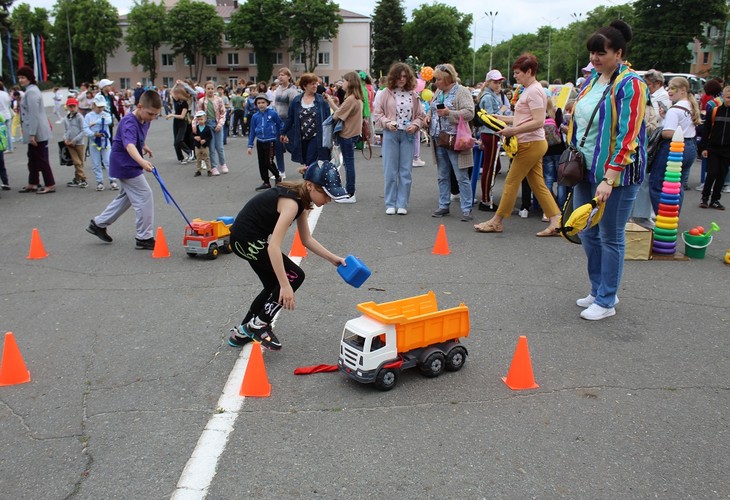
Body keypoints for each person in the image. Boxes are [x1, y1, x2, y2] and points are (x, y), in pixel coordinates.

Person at [568, 20, 649, 321]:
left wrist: (609, 178)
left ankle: (607, 299)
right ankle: (598, 287)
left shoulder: (631, 84)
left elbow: (628, 136)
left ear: (619, 52)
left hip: (617, 175)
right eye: (591, 53)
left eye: (601, 53)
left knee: (610, 235)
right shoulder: (591, 81)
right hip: (585, 170)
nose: (595, 58)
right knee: (586, 231)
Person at [226, 160, 348, 350]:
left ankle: (242, 332)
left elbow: (306, 239)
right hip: (246, 240)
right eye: (326, 194)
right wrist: (285, 286)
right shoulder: (292, 204)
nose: (328, 200)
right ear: (310, 186)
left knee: (271, 285)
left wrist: (333, 259)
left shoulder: (301, 200)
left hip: (245, 238)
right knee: (294, 276)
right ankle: (259, 325)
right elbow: (273, 246)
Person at [473, 54, 561, 233]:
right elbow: (523, 118)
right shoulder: (531, 89)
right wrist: (499, 118)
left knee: (511, 182)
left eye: (518, 73)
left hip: (531, 143)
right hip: (532, 142)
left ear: (529, 71)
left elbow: (538, 121)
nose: (515, 76)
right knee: (538, 184)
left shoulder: (534, 91)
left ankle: (497, 221)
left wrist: (512, 130)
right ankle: (556, 221)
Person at [85, 90, 162, 249]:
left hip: (129, 162)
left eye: (155, 115)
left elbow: (137, 139)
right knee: (144, 195)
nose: (152, 118)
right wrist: (142, 162)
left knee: (126, 197)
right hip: (124, 164)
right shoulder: (128, 122)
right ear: (139, 106)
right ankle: (144, 237)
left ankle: (98, 224)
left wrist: (144, 146)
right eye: (150, 114)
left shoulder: (144, 119)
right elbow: (129, 145)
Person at [372, 62, 426, 215]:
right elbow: (378, 114)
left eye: (405, 76)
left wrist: (415, 125)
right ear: (393, 77)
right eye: (399, 76)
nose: (402, 79)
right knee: (390, 170)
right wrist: (387, 123)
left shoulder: (414, 95)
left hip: (408, 135)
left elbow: (419, 116)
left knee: (405, 171)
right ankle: (390, 202)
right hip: (391, 134)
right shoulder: (385, 93)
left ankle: (402, 203)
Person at [425, 64, 475, 221]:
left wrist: (449, 113)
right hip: (438, 138)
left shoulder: (462, 92)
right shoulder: (439, 91)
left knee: (461, 175)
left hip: (455, 140)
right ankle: (443, 205)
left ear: (447, 79)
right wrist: (428, 116)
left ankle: (466, 208)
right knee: (442, 174)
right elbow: (432, 108)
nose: (436, 82)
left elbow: (469, 113)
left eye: (438, 79)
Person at [648, 76, 699, 215]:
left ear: (683, 90)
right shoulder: (690, 105)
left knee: (657, 183)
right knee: (677, 185)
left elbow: (668, 133)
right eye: (668, 87)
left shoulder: (674, 110)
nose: (669, 91)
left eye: (672, 88)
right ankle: (673, 216)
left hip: (673, 148)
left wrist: (664, 129)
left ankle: (662, 217)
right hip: (690, 147)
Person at [324, 71, 364, 203]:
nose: (343, 83)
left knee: (348, 164)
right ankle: (350, 191)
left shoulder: (351, 99)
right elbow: (340, 111)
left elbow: (336, 115)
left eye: (345, 81)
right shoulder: (357, 98)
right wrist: (330, 100)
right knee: (348, 163)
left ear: (350, 82)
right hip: (353, 134)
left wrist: (330, 101)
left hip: (347, 134)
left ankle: (350, 193)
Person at [17, 66, 56, 194]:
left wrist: (32, 134)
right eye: (19, 77)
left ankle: (50, 184)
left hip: (37, 131)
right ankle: (33, 182)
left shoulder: (32, 92)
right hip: (34, 130)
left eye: (23, 77)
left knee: (41, 158)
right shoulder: (30, 90)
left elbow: (33, 114)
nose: (20, 80)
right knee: (32, 158)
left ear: (29, 78)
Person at [281, 73, 331, 169]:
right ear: (305, 86)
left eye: (316, 83)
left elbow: (328, 118)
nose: (315, 86)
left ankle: (308, 181)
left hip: (317, 136)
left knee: (310, 159)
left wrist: (331, 136)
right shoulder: (297, 100)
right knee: (305, 159)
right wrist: (283, 132)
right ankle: (311, 180)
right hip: (301, 136)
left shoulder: (321, 100)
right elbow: (290, 118)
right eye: (312, 84)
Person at [475, 69, 508, 211]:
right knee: (490, 168)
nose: (498, 84)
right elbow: (489, 118)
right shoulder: (488, 97)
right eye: (495, 82)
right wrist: (502, 110)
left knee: (493, 167)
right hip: (491, 133)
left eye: (500, 81)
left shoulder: (491, 95)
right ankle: (486, 199)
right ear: (488, 82)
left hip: (491, 133)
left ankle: (486, 197)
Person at [698, 85, 730, 210]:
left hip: (727, 150)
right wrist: (704, 148)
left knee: (722, 174)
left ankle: (715, 199)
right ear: (723, 97)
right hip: (714, 148)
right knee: (712, 173)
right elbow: (706, 131)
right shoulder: (715, 111)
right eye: (728, 97)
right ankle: (705, 198)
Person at [248, 93, 284, 190]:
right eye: (258, 103)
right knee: (261, 163)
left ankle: (277, 176)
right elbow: (252, 131)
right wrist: (250, 145)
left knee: (268, 162)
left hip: (270, 141)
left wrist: (283, 134)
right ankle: (266, 182)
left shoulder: (273, 113)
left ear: (267, 103)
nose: (261, 105)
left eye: (263, 102)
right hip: (260, 141)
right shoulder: (255, 116)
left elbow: (280, 124)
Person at [84, 93, 118, 191]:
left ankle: (112, 180)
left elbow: (108, 121)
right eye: (99, 106)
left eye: (102, 106)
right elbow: (85, 129)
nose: (100, 108)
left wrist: (96, 122)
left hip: (105, 141)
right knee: (96, 163)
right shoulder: (88, 116)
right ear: (94, 105)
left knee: (108, 161)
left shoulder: (105, 114)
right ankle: (99, 181)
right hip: (94, 141)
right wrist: (94, 134)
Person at [542, 99, 568, 212]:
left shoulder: (540, 114)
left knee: (548, 178)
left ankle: (548, 207)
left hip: (546, 149)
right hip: (559, 149)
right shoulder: (557, 112)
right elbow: (561, 127)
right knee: (561, 179)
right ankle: (561, 207)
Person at [197, 81, 227, 175]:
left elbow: (223, 113)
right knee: (211, 147)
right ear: (205, 89)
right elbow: (197, 115)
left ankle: (223, 164)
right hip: (208, 125)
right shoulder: (201, 101)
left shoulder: (219, 99)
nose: (210, 90)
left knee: (220, 147)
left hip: (217, 123)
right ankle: (214, 166)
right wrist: (195, 128)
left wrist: (220, 124)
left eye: (212, 88)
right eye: (208, 88)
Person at [273, 67, 299, 179]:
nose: (280, 77)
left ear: (289, 77)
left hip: (288, 122)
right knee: (278, 147)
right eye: (279, 74)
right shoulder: (277, 89)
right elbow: (275, 106)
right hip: (278, 121)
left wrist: (291, 123)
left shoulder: (292, 91)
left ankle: (309, 164)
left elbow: (294, 108)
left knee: (291, 146)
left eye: (283, 75)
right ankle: (281, 171)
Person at [166, 83, 195, 164]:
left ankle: (190, 152)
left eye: (176, 93)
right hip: (176, 122)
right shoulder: (176, 100)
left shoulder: (185, 103)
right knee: (175, 143)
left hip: (182, 122)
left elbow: (182, 116)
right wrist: (176, 84)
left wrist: (172, 115)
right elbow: (171, 91)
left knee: (179, 140)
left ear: (180, 94)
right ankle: (181, 158)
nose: (174, 95)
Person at [63, 97, 88, 188]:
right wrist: (65, 138)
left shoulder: (80, 117)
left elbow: (83, 131)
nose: (72, 108)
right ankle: (82, 178)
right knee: (76, 162)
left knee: (80, 162)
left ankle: (78, 178)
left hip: (79, 143)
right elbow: (66, 130)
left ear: (77, 106)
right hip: (69, 143)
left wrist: (75, 140)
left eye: (74, 106)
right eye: (70, 107)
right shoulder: (66, 118)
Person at [191, 110, 212, 177]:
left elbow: (210, 136)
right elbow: (192, 135)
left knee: (207, 158)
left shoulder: (207, 128)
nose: (200, 121)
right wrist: (195, 137)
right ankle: (198, 170)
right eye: (198, 119)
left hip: (205, 146)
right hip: (197, 146)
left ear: (205, 119)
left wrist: (205, 140)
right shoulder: (196, 128)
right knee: (198, 158)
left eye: (201, 119)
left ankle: (209, 170)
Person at [0, 81, 14, 153]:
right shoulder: (5, 94)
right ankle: (10, 147)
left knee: (2, 133)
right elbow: (9, 103)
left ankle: (4, 146)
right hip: (7, 114)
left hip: (1, 116)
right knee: (8, 132)